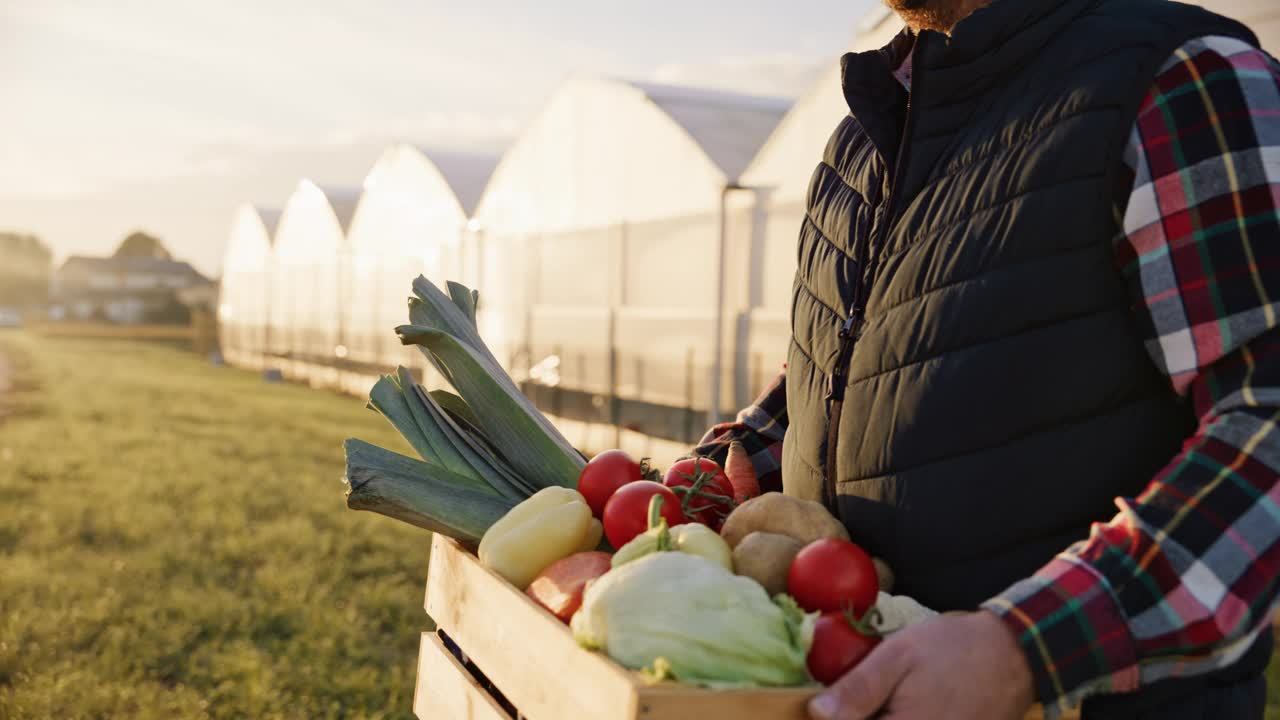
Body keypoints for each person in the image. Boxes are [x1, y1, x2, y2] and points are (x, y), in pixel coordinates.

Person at [692, 0, 1280, 717]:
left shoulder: (1180, 81)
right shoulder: (863, 135)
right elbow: (868, 354)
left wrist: (1028, 651)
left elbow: (1266, 418)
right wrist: (740, 454)